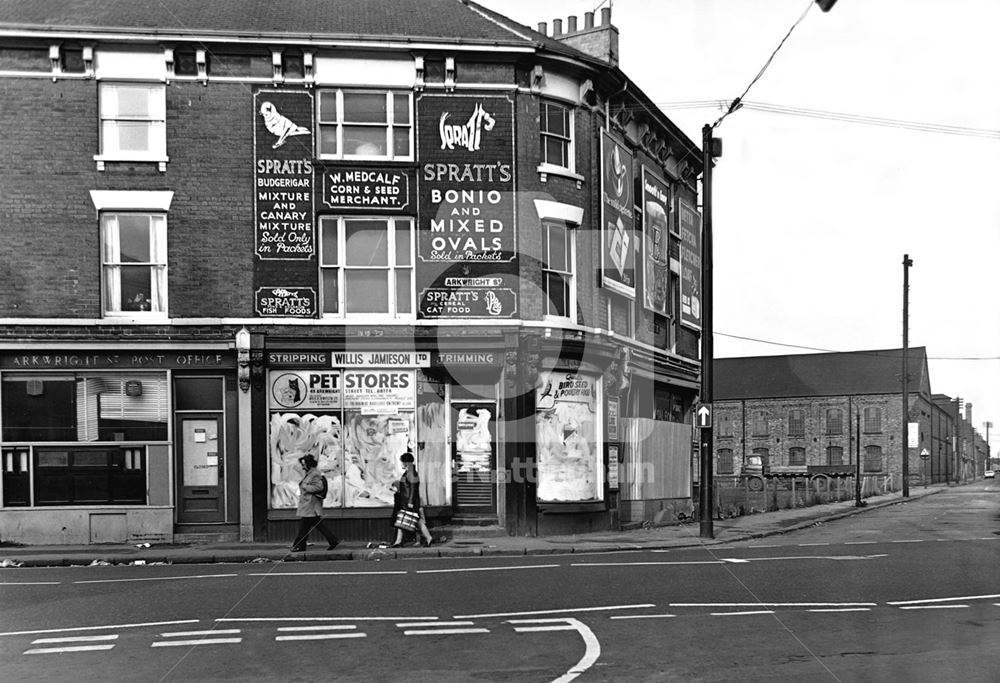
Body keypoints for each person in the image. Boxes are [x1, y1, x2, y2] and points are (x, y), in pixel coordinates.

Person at [290, 454, 339, 552]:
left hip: (311, 504)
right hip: (308, 504)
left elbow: (318, 487)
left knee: (304, 526)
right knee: (315, 525)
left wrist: (305, 487)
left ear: (309, 464)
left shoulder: (315, 474)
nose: (302, 466)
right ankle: (332, 540)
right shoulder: (310, 473)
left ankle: (299, 545)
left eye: (304, 464)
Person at [390, 451, 433, 548]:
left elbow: (413, 488)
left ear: (406, 462)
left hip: (409, 503)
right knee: (404, 520)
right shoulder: (410, 472)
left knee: (411, 520)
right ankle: (398, 541)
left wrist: (410, 502)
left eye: (402, 462)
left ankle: (428, 538)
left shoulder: (411, 473)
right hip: (406, 501)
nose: (401, 464)